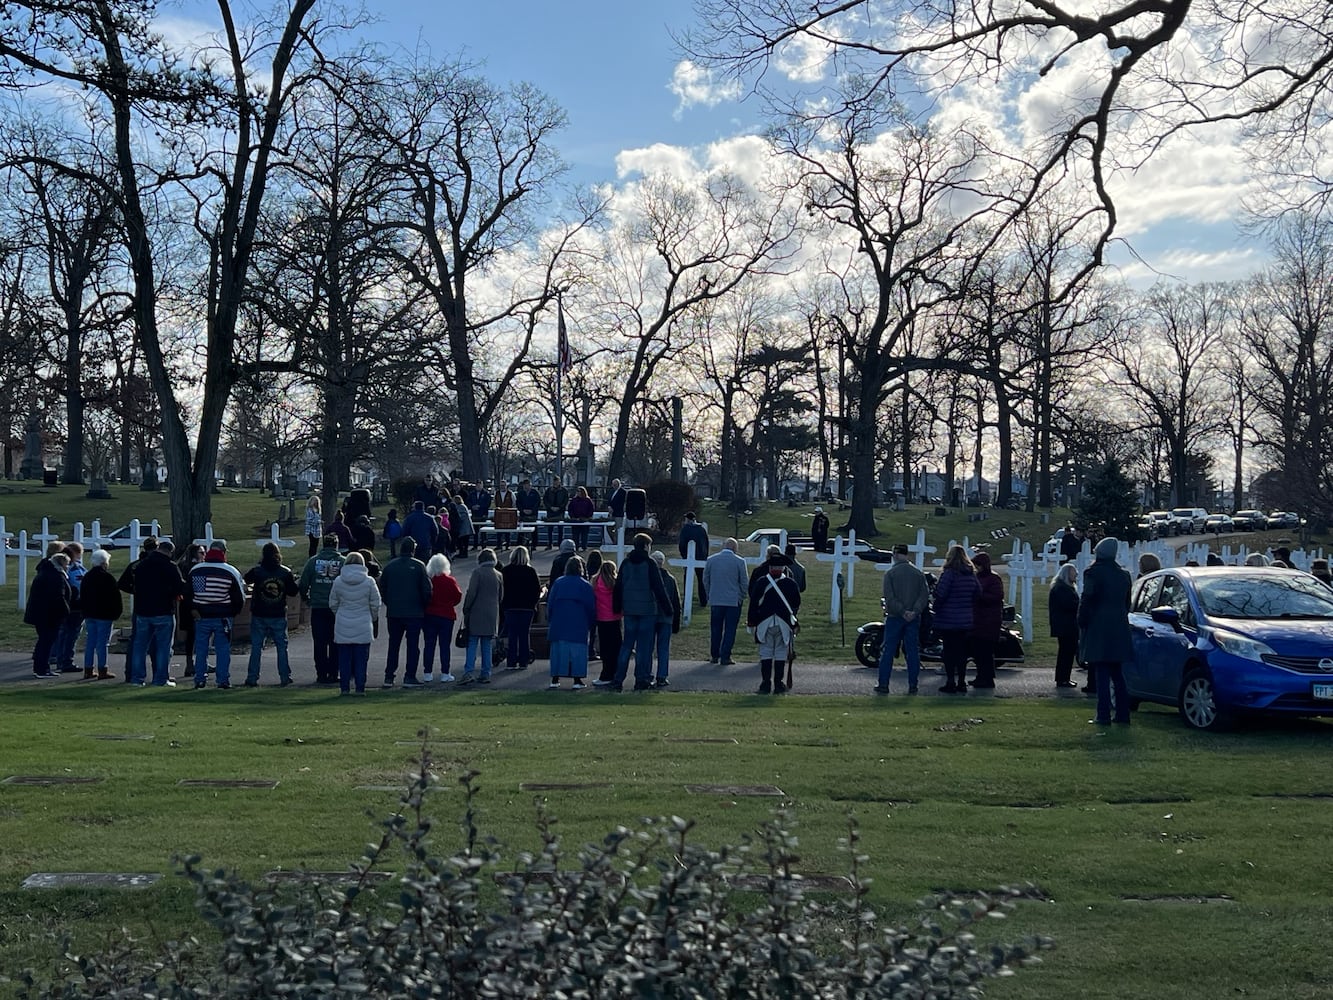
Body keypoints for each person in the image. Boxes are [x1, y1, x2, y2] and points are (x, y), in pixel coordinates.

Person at [1080, 536, 1134, 726]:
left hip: (1099, 626)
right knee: (1118, 674)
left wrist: (1082, 620)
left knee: (1101, 673)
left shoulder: (1093, 573)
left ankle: (1103, 714)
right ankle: (1123, 714)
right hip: (1119, 627)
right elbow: (1127, 603)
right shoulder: (1124, 575)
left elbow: (1087, 598)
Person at [611, 533, 671, 692]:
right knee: (644, 648)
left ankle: (618, 679)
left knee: (626, 645)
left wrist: (617, 606)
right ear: (646, 546)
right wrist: (668, 608)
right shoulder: (649, 563)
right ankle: (641, 679)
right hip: (647, 610)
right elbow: (659, 588)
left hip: (629, 609)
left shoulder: (625, 563)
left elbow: (619, 586)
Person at [128, 537, 188, 687]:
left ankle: (137, 678)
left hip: (142, 611)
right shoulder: (170, 566)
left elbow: (133, 585)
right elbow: (179, 588)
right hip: (163, 610)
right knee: (163, 647)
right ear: (170, 552)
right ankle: (160, 679)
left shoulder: (141, 565)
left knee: (140, 646)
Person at [188, 540, 245, 690]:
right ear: (224, 552)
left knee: (201, 649)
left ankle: (200, 679)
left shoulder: (197, 570)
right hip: (223, 616)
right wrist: (233, 613)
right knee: (223, 649)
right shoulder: (230, 571)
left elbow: (189, 594)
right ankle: (223, 680)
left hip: (201, 616)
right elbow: (239, 598)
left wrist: (194, 610)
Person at [874, 543, 929, 695]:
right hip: (913, 618)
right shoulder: (918, 574)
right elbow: (924, 595)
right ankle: (913, 685)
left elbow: (889, 597)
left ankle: (883, 684)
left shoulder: (891, 574)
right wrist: (914, 611)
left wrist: (902, 611)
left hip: (895, 617)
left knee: (888, 651)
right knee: (912, 652)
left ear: (896, 555)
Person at [378, 536, 433, 688]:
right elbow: (427, 590)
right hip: (414, 612)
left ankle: (389, 676)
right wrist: (423, 605)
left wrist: (389, 602)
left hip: (394, 612)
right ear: (413, 550)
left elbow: (382, 587)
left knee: (393, 644)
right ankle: (410, 676)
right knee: (413, 646)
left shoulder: (390, 566)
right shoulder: (419, 566)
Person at [243, 542, 299, 687]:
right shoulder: (285, 572)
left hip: (259, 613)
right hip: (278, 613)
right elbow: (293, 591)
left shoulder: (258, 571)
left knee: (256, 647)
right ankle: (285, 676)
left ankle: (252, 677)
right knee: (282, 646)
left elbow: (246, 579)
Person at [747, 553, 801, 694]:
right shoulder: (790, 584)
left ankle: (765, 684)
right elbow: (796, 604)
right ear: (783, 568)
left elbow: (753, 603)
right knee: (781, 653)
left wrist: (752, 621)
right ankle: (778, 684)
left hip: (764, 622)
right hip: (784, 623)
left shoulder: (761, 582)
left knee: (766, 652)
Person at [328, 551, 381, 696]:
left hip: (343, 621)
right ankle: (360, 688)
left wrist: (340, 613)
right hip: (363, 622)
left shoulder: (338, 581)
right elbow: (376, 603)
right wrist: (372, 617)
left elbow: (333, 603)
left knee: (344, 658)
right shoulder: (369, 581)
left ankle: (344, 688)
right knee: (361, 659)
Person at [298, 534, 347, 684]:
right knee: (335, 641)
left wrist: (306, 598)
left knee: (319, 642)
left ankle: (321, 673)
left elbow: (303, 583)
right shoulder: (343, 562)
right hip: (337, 609)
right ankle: (333, 672)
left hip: (318, 606)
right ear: (336, 545)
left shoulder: (312, 562)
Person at [932, 545, 979, 694]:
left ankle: (951, 681)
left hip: (948, 619)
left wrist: (936, 606)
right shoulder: (970, 574)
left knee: (949, 652)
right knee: (961, 653)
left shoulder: (949, 573)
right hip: (965, 619)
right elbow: (978, 592)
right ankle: (962, 682)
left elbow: (941, 593)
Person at [547, 556, 596, 690]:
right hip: (578, 623)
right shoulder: (585, 585)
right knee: (578, 652)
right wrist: (591, 623)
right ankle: (577, 679)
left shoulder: (558, 583)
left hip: (559, 622)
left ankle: (555, 679)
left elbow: (550, 604)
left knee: (558, 651)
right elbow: (591, 607)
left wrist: (550, 618)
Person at [459, 548, 503, 684]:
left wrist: (466, 608)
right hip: (491, 613)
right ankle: (486, 673)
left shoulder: (477, 573)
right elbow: (501, 597)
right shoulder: (498, 575)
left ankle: (469, 672)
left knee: (472, 642)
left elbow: (471, 593)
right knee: (487, 644)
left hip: (477, 612)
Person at [703, 538, 748, 666]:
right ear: (735, 548)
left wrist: (709, 594)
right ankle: (725, 656)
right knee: (730, 629)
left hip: (716, 599)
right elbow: (744, 582)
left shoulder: (711, 560)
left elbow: (706, 579)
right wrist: (741, 596)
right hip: (733, 601)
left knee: (715, 628)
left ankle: (714, 655)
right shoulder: (739, 562)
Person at [25, 552, 71, 678]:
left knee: (43, 641)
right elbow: (58, 596)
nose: (68, 567)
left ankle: (41, 667)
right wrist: (66, 612)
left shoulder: (45, 572)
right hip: (49, 615)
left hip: (41, 614)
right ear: (61, 564)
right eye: (67, 564)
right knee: (46, 642)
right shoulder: (55, 576)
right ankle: (42, 669)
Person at [80, 548, 122, 679]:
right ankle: (103, 669)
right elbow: (115, 597)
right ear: (104, 563)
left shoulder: (87, 577)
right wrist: (116, 613)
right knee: (102, 643)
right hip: (104, 615)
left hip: (89, 613)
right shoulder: (107, 578)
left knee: (91, 641)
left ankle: (88, 669)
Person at [499, 546, 542, 671]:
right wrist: (533, 604)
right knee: (524, 634)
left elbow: (502, 590)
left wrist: (503, 604)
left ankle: (511, 661)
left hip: (510, 607)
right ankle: (523, 660)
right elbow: (536, 590)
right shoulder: (531, 571)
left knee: (512, 634)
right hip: (527, 608)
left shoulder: (505, 571)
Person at [422, 554, 463, 682]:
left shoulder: (429, 581)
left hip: (430, 615)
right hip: (446, 616)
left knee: (429, 644)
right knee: (444, 646)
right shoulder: (450, 581)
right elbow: (458, 596)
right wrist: (449, 604)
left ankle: (427, 672)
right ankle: (445, 673)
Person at [969, 552, 1004, 689]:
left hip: (989, 620)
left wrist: (979, 595)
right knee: (978, 652)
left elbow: (996, 597)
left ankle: (988, 678)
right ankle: (980, 676)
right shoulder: (977, 577)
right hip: (977, 619)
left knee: (986, 652)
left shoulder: (994, 579)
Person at [649, 550, 682, 688]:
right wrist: (676, 622)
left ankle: (647, 674)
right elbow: (676, 602)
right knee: (663, 649)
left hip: (650, 616)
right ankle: (662, 676)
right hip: (666, 618)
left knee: (648, 648)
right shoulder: (671, 579)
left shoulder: (648, 578)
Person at [53, 542, 87, 674]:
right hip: (75, 606)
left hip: (67, 606)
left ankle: (61, 660)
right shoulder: (76, 569)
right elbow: (80, 584)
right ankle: (66, 661)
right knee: (71, 635)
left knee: (64, 634)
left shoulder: (61, 569)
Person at [591, 559, 623, 687]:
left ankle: (606, 674)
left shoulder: (595, 583)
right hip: (615, 618)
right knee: (616, 648)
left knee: (605, 649)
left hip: (602, 619)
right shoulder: (615, 584)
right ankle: (616, 673)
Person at [1049, 562, 1080, 689]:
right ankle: (1063, 679)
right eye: (1073, 573)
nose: (1076, 575)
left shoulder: (1064, 587)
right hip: (1065, 626)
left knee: (1067, 652)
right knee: (1066, 653)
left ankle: (1064, 678)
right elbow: (1068, 605)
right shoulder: (1061, 588)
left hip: (1066, 625)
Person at [678, 512, 710, 606]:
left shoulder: (685, 529)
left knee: (687, 579)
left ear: (688, 519)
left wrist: (684, 555)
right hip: (701, 558)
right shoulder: (701, 529)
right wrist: (704, 556)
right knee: (701, 580)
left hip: (689, 558)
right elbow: (706, 544)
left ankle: (686, 600)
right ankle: (703, 600)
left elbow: (682, 544)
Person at [543, 480, 569, 550]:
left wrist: (560, 507)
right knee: (550, 529)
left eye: (557, 482)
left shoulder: (564, 490)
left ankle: (560, 544)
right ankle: (549, 544)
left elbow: (566, 500)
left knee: (560, 529)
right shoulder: (549, 490)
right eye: (554, 482)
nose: (555, 484)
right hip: (550, 511)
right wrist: (550, 507)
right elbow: (545, 500)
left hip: (560, 511)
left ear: (559, 482)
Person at [516, 479, 542, 547]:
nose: (526, 487)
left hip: (533, 514)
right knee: (521, 530)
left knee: (534, 529)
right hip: (523, 514)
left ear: (530, 485)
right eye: (525, 485)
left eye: (528, 485)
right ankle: (520, 544)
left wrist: (532, 510)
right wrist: (522, 510)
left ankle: (534, 544)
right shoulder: (520, 493)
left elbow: (538, 503)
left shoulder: (535, 493)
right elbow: (518, 503)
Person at [493, 482, 518, 549]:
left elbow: (514, 503)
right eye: (501, 485)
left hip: (508, 514)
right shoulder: (496, 493)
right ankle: (499, 545)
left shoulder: (511, 493)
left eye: (504, 485)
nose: (502, 487)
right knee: (498, 530)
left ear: (506, 486)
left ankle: (507, 545)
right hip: (499, 514)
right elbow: (494, 502)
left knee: (508, 530)